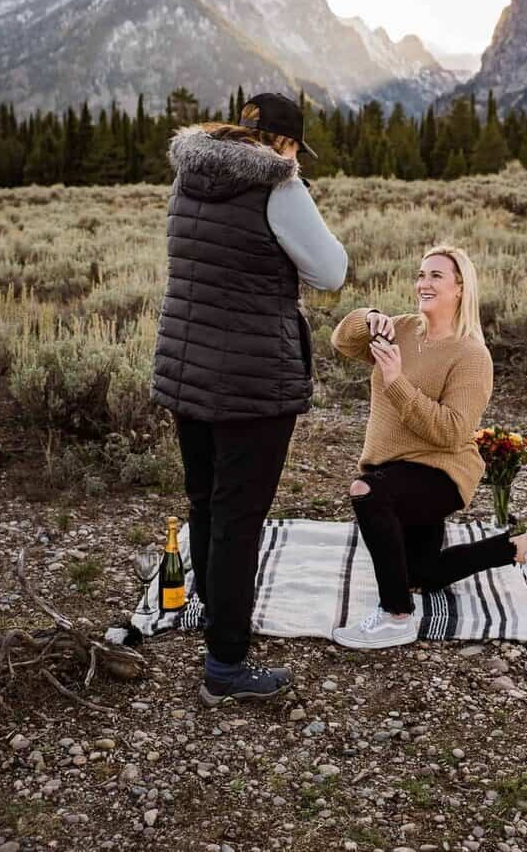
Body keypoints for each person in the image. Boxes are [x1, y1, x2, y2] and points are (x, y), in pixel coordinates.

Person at [151, 92, 347, 704]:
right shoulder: (280, 186)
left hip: (188, 368)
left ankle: (217, 615)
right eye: (295, 149)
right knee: (239, 520)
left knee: (207, 503)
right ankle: (226, 664)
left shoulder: (189, 176)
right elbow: (331, 271)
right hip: (252, 379)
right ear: (283, 144)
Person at [330, 245, 527, 649]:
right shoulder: (401, 330)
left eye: (436, 276)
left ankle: (396, 615)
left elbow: (452, 431)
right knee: (418, 573)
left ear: (460, 288)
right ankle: (514, 547)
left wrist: (396, 380)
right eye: (421, 275)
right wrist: (368, 317)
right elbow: (343, 342)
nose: (423, 283)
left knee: (366, 493)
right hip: (393, 468)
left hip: (441, 474)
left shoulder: (471, 355)